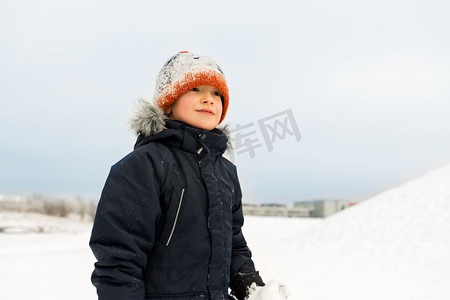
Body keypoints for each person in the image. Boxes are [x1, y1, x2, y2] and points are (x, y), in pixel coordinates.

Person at [89, 51, 265, 300]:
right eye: (195, 89)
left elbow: (234, 243)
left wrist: (251, 286)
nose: (209, 99)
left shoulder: (226, 172)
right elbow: (119, 260)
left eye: (217, 93)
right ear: (168, 102)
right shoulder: (144, 165)